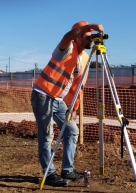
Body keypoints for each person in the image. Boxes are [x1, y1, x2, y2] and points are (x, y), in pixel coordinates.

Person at [31, 21, 104, 187]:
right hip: (42, 96)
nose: (90, 40)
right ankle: (49, 175)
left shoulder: (84, 58)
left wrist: (74, 107)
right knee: (47, 135)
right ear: (78, 36)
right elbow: (68, 36)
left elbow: (79, 87)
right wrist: (90, 26)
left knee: (72, 130)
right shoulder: (66, 48)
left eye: (91, 37)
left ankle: (67, 170)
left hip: (59, 100)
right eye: (87, 37)